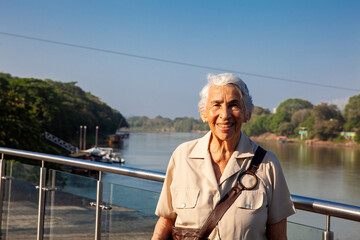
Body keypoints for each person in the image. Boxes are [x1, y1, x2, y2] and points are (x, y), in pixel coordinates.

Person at [152, 73, 295, 240]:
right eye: (216, 105)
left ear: (247, 113)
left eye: (234, 105)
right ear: (204, 114)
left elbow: (278, 235)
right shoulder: (182, 156)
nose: (225, 115)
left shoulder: (268, 164)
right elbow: (166, 221)